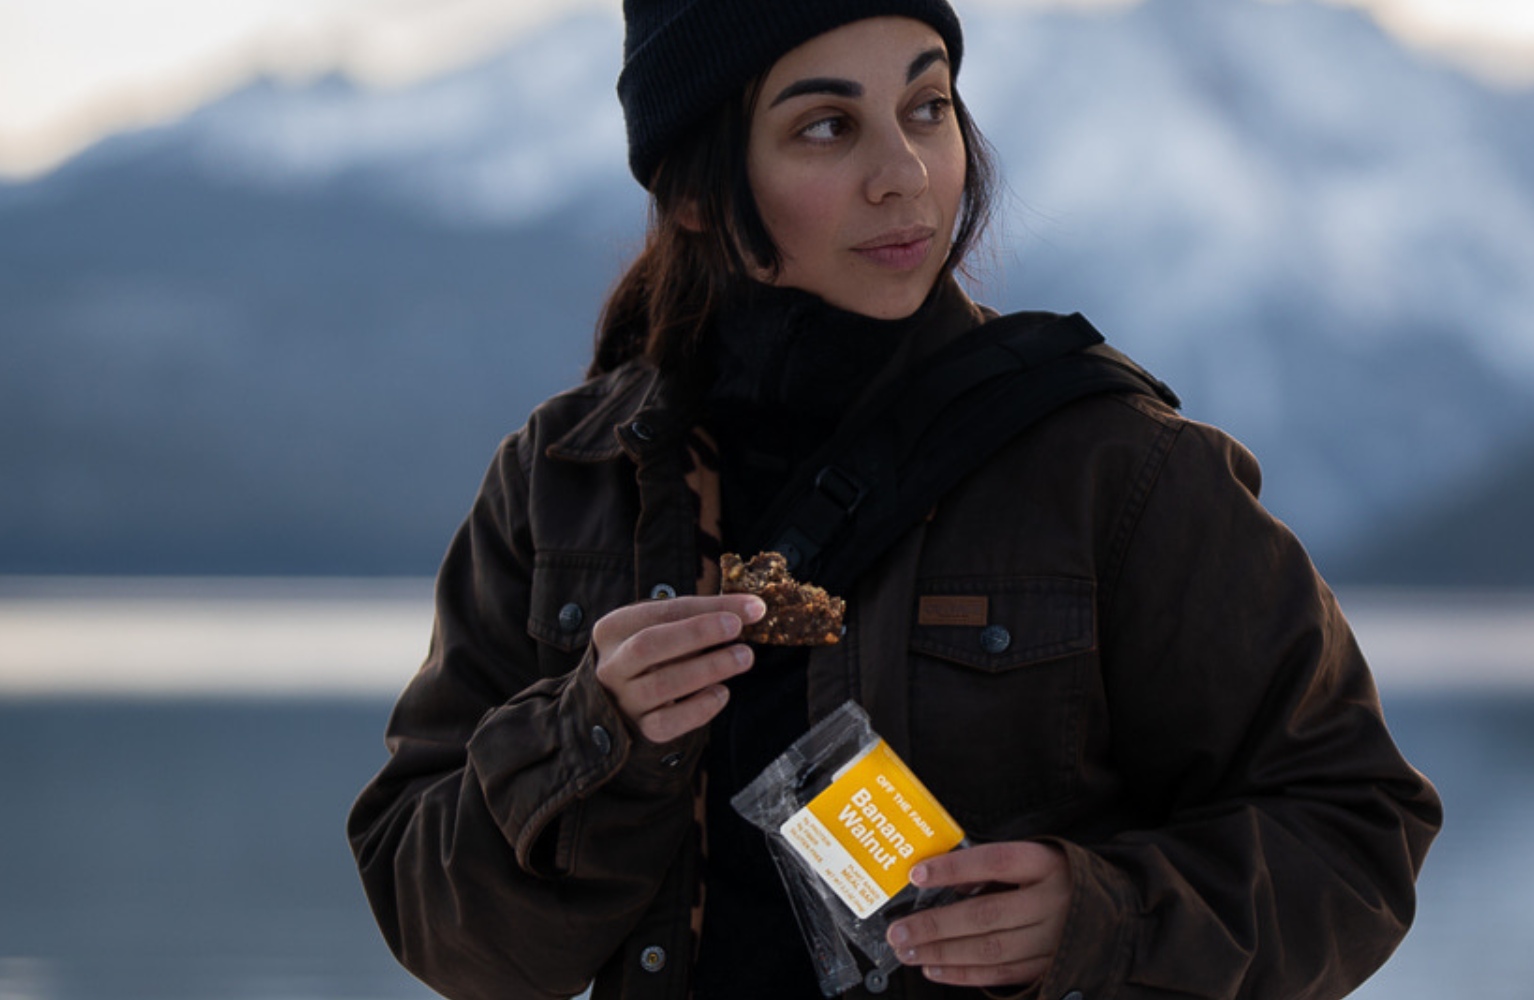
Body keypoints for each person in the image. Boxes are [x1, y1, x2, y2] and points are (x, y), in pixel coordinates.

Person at [347, 1, 1443, 997]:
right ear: (692, 190)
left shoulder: (1117, 468)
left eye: (927, 108)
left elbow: (1356, 829)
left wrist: (1101, 918)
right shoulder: (564, 479)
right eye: (827, 127)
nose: (905, 173)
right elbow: (441, 927)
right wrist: (595, 736)